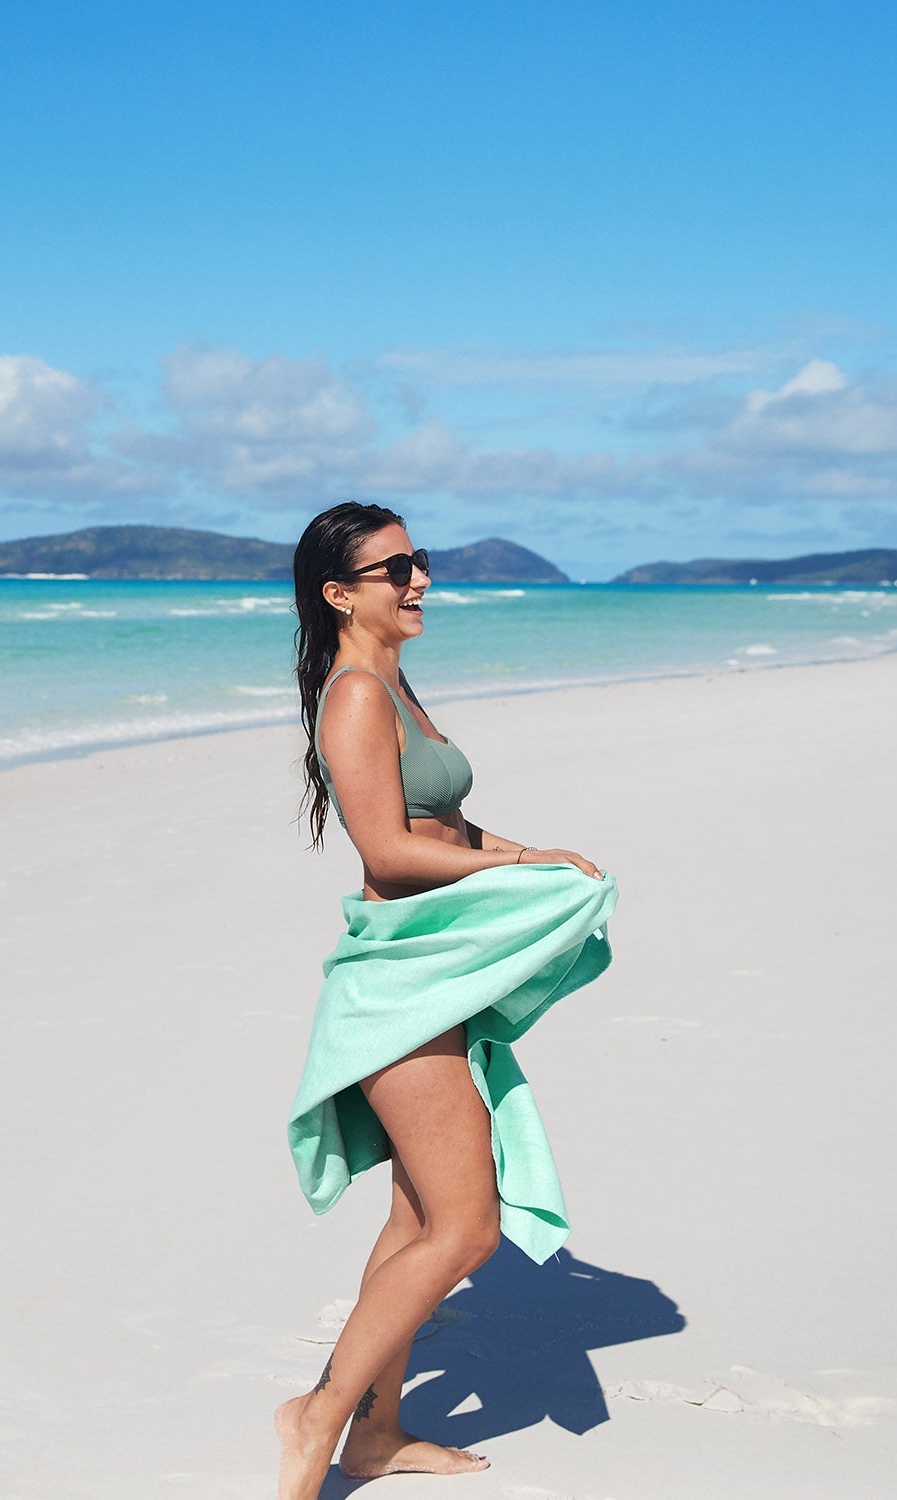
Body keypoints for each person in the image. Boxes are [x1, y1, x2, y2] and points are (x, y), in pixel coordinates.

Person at [276, 501, 619, 1500]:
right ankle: (317, 1415)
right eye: (396, 569)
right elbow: (386, 851)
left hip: (438, 971)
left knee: (417, 1217)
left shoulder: (394, 684)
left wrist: (534, 855)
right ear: (341, 595)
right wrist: (519, 869)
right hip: (400, 985)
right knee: (466, 1229)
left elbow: (445, 826)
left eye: (418, 560)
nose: (419, 578)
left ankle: (376, 1436)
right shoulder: (354, 696)